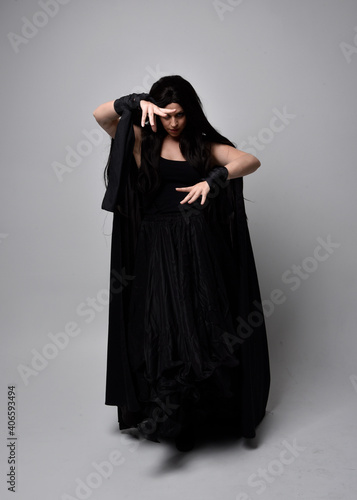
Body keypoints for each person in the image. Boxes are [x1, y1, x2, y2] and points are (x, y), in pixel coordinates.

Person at [93, 75, 270, 452]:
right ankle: (165, 414)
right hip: (156, 250)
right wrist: (137, 100)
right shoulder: (142, 141)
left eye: (181, 115)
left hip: (198, 250)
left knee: (202, 325)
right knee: (160, 325)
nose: (174, 122)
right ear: (158, 113)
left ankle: (202, 416)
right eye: (168, 115)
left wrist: (216, 178)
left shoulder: (202, 147)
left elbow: (250, 160)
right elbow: (101, 117)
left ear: (191, 113)